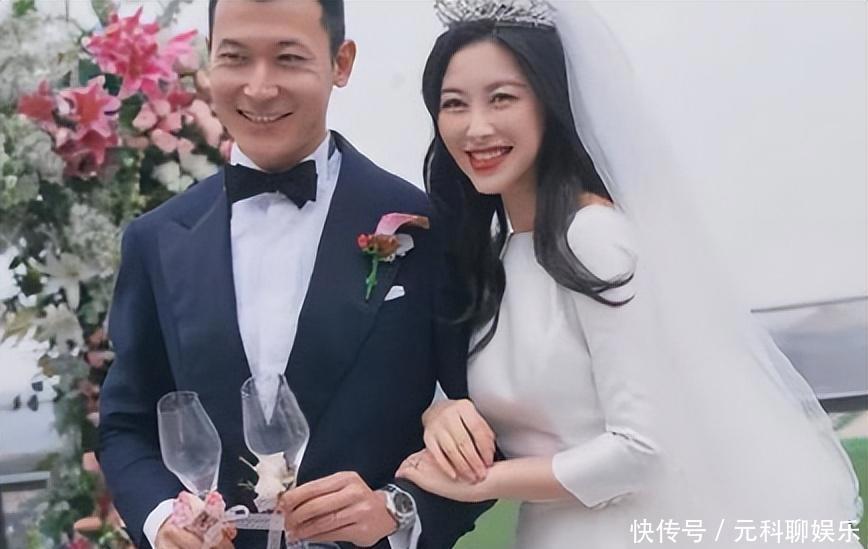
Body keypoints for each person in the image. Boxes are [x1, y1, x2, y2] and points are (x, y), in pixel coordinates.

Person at [395, 1, 863, 548]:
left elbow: (642, 449)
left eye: (502, 98)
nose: (476, 127)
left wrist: (484, 482)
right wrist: (438, 412)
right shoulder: (497, 255)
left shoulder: (593, 239)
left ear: (551, 101)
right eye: (454, 104)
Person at [98, 1, 491, 548]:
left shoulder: (426, 230)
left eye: (288, 58)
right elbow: (126, 425)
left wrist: (398, 508)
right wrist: (161, 519)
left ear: (341, 63)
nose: (260, 88)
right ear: (209, 61)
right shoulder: (155, 240)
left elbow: (491, 420)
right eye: (235, 57)